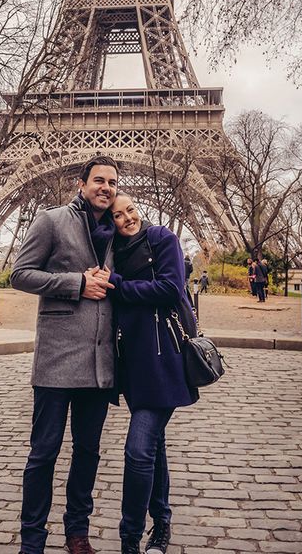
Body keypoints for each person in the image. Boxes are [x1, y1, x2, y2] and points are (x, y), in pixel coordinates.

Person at [10, 156, 119, 554]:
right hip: (57, 360)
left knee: (88, 453)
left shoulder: (118, 232)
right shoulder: (51, 220)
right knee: (44, 453)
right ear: (81, 183)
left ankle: (78, 532)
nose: (105, 187)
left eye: (111, 182)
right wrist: (76, 283)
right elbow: (20, 274)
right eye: (98, 181)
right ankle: (32, 541)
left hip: (99, 364)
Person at [96, 193, 199, 554]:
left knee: (138, 450)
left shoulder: (162, 239)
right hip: (134, 366)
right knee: (153, 447)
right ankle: (163, 523)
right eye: (118, 215)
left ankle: (129, 539)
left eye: (131, 210)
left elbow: (172, 289)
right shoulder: (110, 253)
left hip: (164, 364)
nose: (127, 218)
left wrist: (119, 286)